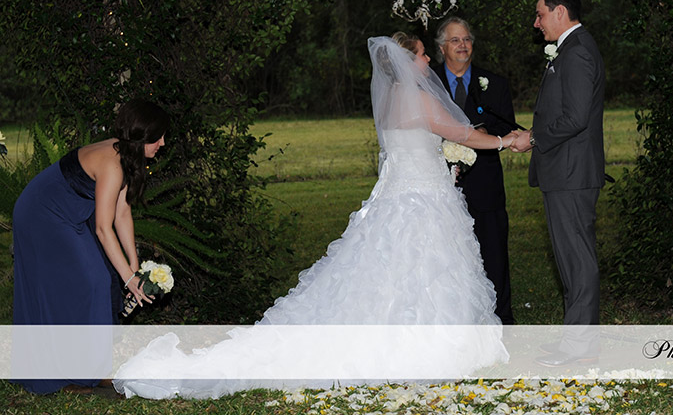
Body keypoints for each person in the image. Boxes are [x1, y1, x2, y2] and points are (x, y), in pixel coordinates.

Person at [114, 33, 515, 399]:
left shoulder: (391, 100)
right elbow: (461, 134)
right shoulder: (420, 100)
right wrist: (505, 140)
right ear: (408, 63)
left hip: (401, 197)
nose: (428, 60)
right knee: (423, 272)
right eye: (423, 55)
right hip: (422, 203)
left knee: (391, 276)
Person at [12, 99, 169, 394]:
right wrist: (129, 280)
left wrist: (134, 267)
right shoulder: (113, 163)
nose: (163, 143)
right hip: (41, 215)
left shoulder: (127, 156)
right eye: (158, 137)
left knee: (100, 279)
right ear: (141, 136)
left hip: (66, 215)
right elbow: (102, 228)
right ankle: (79, 372)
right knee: (94, 280)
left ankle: (89, 368)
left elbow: (122, 213)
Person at [510, 0, 605, 365]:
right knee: (569, 260)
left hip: (571, 174)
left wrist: (532, 138)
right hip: (564, 172)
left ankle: (580, 348)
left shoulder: (577, 51)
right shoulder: (570, 49)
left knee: (578, 261)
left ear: (560, 12)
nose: (537, 23)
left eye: (540, 15)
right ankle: (575, 339)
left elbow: (576, 118)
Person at [432, 17, 517, 325]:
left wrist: (482, 134)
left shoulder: (495, 83)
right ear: (442, 47)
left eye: (467, 39)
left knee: (493, 253)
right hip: (439, 185)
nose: (463, 45)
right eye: (455, 40)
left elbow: (506, 128)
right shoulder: (426, 82)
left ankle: (501, 319)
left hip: (485, 182)